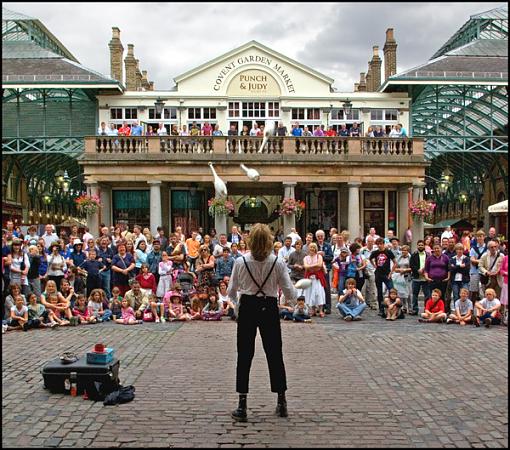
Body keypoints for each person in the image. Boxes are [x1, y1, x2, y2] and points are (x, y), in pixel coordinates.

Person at [227, 223, 298, 422]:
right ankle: (281, 401)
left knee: (244, 355)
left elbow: (231, 292)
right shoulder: (277, 262)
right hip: (269, 307)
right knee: (274, 353)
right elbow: (289, 290)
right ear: (269, 241)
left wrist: (237, 305)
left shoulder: (240, 262)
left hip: (248, 306)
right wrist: (294, 301)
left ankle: (242, 404)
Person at [370, 238, 397, 317]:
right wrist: (374, 265)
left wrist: (391, 273)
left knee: (391, 290)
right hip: (378, 274)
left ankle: (393, 307)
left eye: (381, 244)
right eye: (378, 244)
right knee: (379, 292)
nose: (379, 245)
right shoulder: (375, 252)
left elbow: (395, 262)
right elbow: (370, 259)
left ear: (383, 243)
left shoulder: (388, 252)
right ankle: (381, 309)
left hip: (386, 274)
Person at [303, 243, 326, 318]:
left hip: (317, 278)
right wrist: (314, 266)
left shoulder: (319, 256)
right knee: (310, 293)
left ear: (316, 248)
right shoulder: (306, 258)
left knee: (319, 293)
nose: (312, 249)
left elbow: (319, 265)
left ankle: (321, 310)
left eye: (313, 247)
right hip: (309, 278)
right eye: (311, 247)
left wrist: (311, 267)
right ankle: (313, 310)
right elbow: (306, 267)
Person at [424, 244, 450, 309]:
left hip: (443, 280)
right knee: (431, 296)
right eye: (435, 248)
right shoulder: (429, 258)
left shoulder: (445, 257)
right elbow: (426, 269)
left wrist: (448, 277)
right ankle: (430, 310)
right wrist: (427, 277)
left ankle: (442, 310)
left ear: (441, 249)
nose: (436, 250)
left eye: (438, 248)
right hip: (432, 280)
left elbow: (448, 269)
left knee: (442, 296)